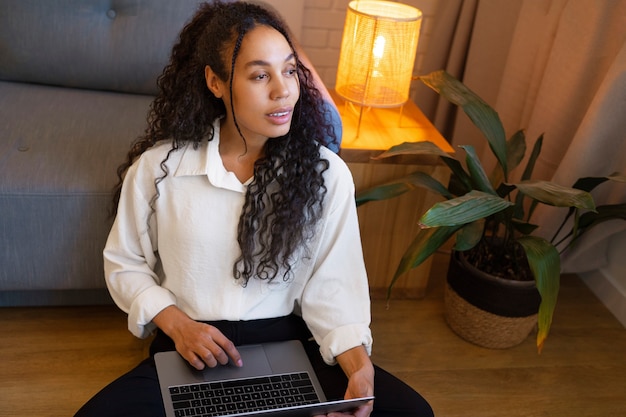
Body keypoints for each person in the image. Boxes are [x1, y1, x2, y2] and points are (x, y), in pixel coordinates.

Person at [74, 2, 434, 417]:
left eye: (290, 70)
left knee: (412, 412)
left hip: (290, 344)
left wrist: (360, 369)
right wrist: (177, 325)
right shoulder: (160, 168)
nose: (283, 90)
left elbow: (335, 287)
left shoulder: (326, 174)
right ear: (215, 82)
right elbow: (125, 263)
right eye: (260, 75)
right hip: (191, 346)